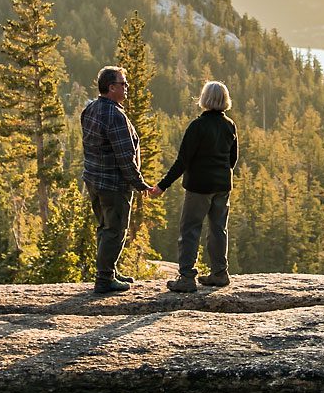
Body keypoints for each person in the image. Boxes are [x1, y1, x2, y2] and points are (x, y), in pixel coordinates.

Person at [151, 80, 238, 293]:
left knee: (190, 230)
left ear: (204, 99)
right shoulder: (229, 125)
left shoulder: (197, 126)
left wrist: (162, 186)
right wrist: (222, 175)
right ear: (225, 100)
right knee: (218, 229)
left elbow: (183, 161)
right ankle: (220, 273)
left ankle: (187, 277)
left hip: (199, 187)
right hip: (222, 186)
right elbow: (232, 159)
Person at [80, 65, 151, 294]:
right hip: (113, 183)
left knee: (104, 227)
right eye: (123, 83)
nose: (127, 87)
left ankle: (109, 270)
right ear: (111, 87)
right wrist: (139, 183)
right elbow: (124, 156)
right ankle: (104, 280)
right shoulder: (115, 115)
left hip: (93, 180)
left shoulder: (90, 109)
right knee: (115, 229)